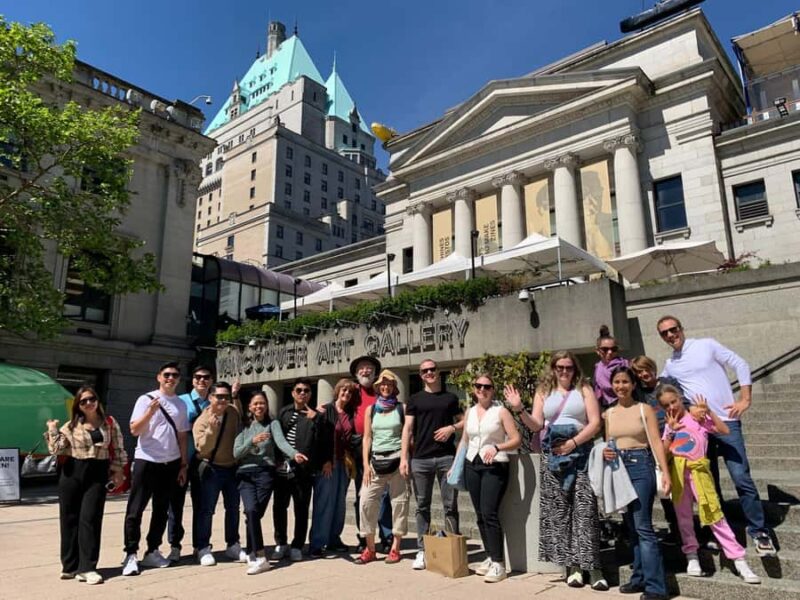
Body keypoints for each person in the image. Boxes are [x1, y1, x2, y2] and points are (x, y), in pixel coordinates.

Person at [657, 315, 777, 556]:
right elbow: (658, 388)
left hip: (726, 422)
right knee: (707, 483)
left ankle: (759, 531)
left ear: (681, 328)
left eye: (673, 329)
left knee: (741, 477)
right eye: (664, 333)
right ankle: (719, 532)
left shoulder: (706, 345)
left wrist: (745, 399)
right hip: (699, 428)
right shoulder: (670, 364)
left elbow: (740, 364)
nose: (670, 335)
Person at [508, 351, 605, 590]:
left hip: (580, 453)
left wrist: (573, 443)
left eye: (568, 367)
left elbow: (595, 423)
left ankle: (593, 567)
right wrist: (520, 409)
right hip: (553, 458)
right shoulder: (543, 392)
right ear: (553, 368)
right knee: (559, 512)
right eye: (559, 367)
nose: (564, 371)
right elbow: (537, 425)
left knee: (585, 510)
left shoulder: (584, 389)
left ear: (575, 369)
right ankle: (572, 567)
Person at [657, 386, 760, 584]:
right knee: (684, 518)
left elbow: (724, 429)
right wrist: (670, 432)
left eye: (673, 401)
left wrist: (709, 411)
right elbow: (665, 452)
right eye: (666, 405)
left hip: (699, 473)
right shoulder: (669, 425)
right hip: (679, 475)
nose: (671, 406)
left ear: (680, 399)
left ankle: (738, 559)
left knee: (714, 514)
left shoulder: (697, 417)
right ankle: (692, 556)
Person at [45, 386, 127, 585]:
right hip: (72, 473)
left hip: (97, 473)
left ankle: (88, 567)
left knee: (90, 519)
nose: (88, 403)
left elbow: (118, 447)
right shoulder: (70, 426)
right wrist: (52, 430)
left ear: (97, 400)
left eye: (91, 399)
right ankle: (70, 566)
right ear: (78, 406)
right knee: (69, 519)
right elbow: (55, 450)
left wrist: (118, 471)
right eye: (83, 402)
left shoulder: (109, 423)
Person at [603, 366, 671, 600]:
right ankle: (639, 577)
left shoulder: (644, 409)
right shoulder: (609, 413)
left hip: (641, 465)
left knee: (643, 526)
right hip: (618, 469)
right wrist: (606, 453)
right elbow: (608, 443)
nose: (620, 386)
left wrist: (665, 471)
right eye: (617, 382)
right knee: (630, 527)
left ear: (633, 385)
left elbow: (655, 441)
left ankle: (657, 587)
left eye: (625, 382)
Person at [122, 362, 190, 576]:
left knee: (161, 509)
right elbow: (134, 430)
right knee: (135, 509)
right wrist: (150, 412)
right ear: (159, 377)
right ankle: (130, 553)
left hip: (170, 463)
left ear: (179, 379)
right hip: (147, 460)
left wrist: (183, 464)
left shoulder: (180, 404)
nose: (171, 378)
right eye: (167, 374)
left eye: (175, 375)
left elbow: (181, 436)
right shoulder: (145, 399)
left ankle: (152, 550)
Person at [455, 373, 521, 583]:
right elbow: (464, 440)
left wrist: (497, 446)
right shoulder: (470, 411)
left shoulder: (501, 411)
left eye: (487, 386)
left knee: (490, 513)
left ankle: (499, 564)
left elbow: (516, 439)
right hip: (472, 464)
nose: (482, 390)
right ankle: (490, 557)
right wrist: (455, 465)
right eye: (478, 386)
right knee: (480, 514)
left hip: (495, 465)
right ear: (474, 389)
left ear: (493, 389)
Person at [401, 358, 463, 571]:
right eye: (424, 370)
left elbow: (465, 421)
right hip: (420, 459)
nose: (429, 373)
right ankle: (422, 550)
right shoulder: (415, 399)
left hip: (447, 458)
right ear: (420, 375)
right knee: (422, 506)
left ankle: (453, 547)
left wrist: (452, 428)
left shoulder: (450, 397)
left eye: (432, 369)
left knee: (450, 506)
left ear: (438, 371)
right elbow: (407, 429)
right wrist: (404, 459)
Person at [233, 390, 297, 575]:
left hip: (265, 474)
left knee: (254, 514)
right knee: (251, 511)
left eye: (262, 403)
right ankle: (260, 556)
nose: (259, 406)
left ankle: (251, 550)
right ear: (249, 407)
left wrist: (294, 454)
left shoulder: (272, 424)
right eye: (255, 403)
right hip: (245, 474)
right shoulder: (243, 426)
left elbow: (282, 442)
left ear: (267, 405)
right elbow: (236, 453)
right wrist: (252, 441)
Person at [355, 369, 411, 565]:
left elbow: (406, 435)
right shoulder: (371, 409)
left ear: (394, 387)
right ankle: (370, 548)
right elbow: (367, 438)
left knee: (399, 504)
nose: (385, 387)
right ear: (378, 387)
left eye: (389, 384)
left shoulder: (402, 408)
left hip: (397, 462)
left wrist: (404, 459)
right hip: (376, 462)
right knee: (365, 502)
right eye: (382, 384)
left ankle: (395, 547)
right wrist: (365, 465)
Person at [630, 355, 687, 545]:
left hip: (678, 439)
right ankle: (676, 530)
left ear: (653, 368)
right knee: (665, 489)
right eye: (639, 372)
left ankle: (694, 531)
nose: (644, 374)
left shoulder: (668, 383)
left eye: (646, 369)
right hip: (656, 445)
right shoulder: (638, 392)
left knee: (685, 487)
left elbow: (683, 404)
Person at [193, 381, 246, 566]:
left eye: (226, 396)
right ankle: (203, 547)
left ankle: (233, 544)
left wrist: (236, 394)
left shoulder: (232, 411)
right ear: (210, 397)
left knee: (233, 508)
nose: (223, 400)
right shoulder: (203, 420)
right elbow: (203, 449)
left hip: (232, 468)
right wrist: (211, 430)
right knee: (207, 510)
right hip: (212, 468)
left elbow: (241, 417)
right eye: (219, 396)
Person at [271, 378, 324, 562]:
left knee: (301, 508)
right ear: (293, 392)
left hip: (303, 470)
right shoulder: (284, 413)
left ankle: (297, 545)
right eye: (299, 390)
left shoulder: (315, 415)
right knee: (279, 507)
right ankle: (281, 542)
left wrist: (316, 420)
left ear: (310, 394)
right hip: (283, 469)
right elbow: (277, 439)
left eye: (306, 390)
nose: (303, 393)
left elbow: (323, 441)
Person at [167, 365, 213, 563]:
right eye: (198, 377)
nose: (202, 380)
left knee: (202, 505)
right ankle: (175, 545)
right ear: (192, 380)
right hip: (181, 459)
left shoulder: (214, 403)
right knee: (175, 504)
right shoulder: (181, 401)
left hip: (204, 461)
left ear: (211, 381)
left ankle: (200, 545)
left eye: (206, 377)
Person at [309, 378, 358, 556]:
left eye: (350, 392)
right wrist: (325, 460)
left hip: (343, 463)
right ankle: (317, 542)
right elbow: (319, 437)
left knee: (339, 503)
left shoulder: (350, 413)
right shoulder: (325, 410)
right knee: (324, 502)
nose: (346, 394)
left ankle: (333, 539)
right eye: (343, 390)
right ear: (337, 391)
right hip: (327, 463)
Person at [350, 355, 393, 552]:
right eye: (361, 368)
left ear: (375, 372)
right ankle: (364, 536)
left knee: (383, 494)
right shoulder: (351, 392)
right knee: (363, 494)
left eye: (369, 368)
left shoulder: (382, 392)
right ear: (356, 373)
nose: (365, 371)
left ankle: (387, 537)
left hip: (381, 447)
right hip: (359, 448)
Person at [593, 325, 629, 409]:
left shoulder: (625, 365)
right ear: (597, 351)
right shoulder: (598, 368)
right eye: (605, 349)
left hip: (627, 405)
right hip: (606, 408)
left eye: (613, 349)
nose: (609, 352)